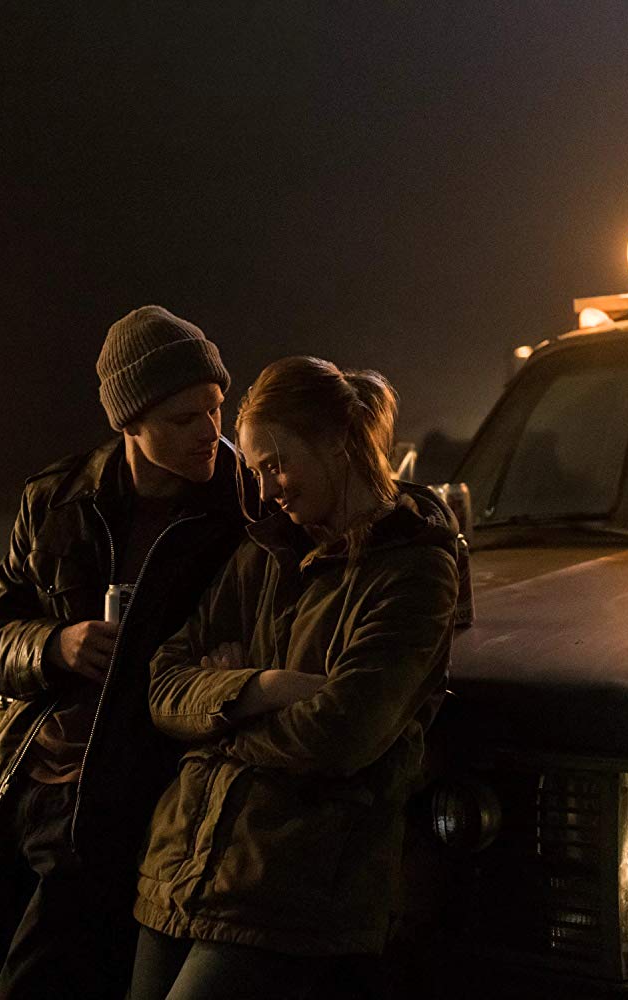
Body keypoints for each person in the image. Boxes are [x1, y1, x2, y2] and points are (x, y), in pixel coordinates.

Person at [127, 356, 461, 1000]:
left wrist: (214, 719)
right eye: (255, 471)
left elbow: (341, 734)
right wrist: (265, 688)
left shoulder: (412, 572)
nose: (265, 491)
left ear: (336, 442)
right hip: (182, 865)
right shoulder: (262, 554)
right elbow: (161, 684)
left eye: (276, 465)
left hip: (291, 887)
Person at [0, 306, 252, 1000]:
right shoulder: (59, 499)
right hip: (29, 774)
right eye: (184, 417)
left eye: (216, 407)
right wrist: (54, 645)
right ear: (130, 423)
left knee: (44, 975)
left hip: (131, 790)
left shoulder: (242, 508)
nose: (210, 431)